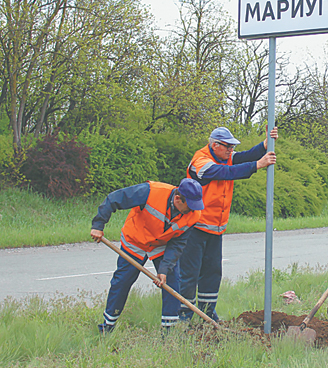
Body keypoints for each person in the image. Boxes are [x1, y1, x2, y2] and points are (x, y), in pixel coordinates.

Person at [178, 126, 277, 322]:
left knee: (212, 273)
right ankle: (184, 315)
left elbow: (242, 157)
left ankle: (207, 313)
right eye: (228, 147)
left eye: (232, 147)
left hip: (216, 228)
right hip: (195, 227)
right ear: (215, 145)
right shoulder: (202, 161)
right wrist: (257, 165)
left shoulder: (224, 156)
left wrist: (265, 144)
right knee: (189, 274)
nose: (231, 151)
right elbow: (224, 172)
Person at [90, 178, 204, 333]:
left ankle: (168, 333)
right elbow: (114, 199)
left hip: (161, 244)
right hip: (136, 240)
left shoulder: (193, 215)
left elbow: (177, 244)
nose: (192, 210)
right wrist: (98, 225)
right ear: (178, 199)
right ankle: (107, 327)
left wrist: (164, 270)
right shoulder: (150, 192)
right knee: (122, 282)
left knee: (172, 282)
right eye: (189, 206)